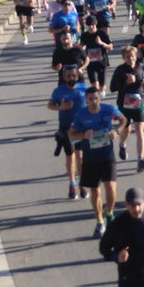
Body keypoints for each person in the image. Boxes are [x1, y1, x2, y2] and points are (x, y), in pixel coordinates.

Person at [69, 86, 123, 238]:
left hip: (107, 155)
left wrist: (117, 131)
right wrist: (83, 134)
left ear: (100, 98)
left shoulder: (109, 109)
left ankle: (110, 212)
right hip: (91, 158)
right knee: (95, 190)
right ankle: (100, 222)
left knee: (111, 187)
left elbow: (123, 119)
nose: (93, 102)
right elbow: (71, 133)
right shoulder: (80, 114)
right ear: (86, 100)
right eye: (90, 99)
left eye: (96, 98)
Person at [47, 64, 87, 199]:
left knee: (80, 156)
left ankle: (82, 184)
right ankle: (72, 183)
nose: (71, 78)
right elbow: (50, 105)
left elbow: (92, 103)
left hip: (81, 127)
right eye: (68, 76)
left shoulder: (84, 88)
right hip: (65, 128)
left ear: (78, 75)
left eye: (74, 75)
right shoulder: (58, 91)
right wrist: (61, 106)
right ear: (64, 77)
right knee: (70, 156)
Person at [108, 45, 144, 172]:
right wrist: (126, 83)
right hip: (124, 104)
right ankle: (122, 144)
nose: (131, 59)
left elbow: (142, 84)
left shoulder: (140, 67)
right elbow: (112, 88)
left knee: (140, 130)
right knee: (126, 130)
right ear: (123, 58)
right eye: (128, 57)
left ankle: (140, 159)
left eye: (133, 56)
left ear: (136, 56)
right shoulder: (120, 70)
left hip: (138, 104)